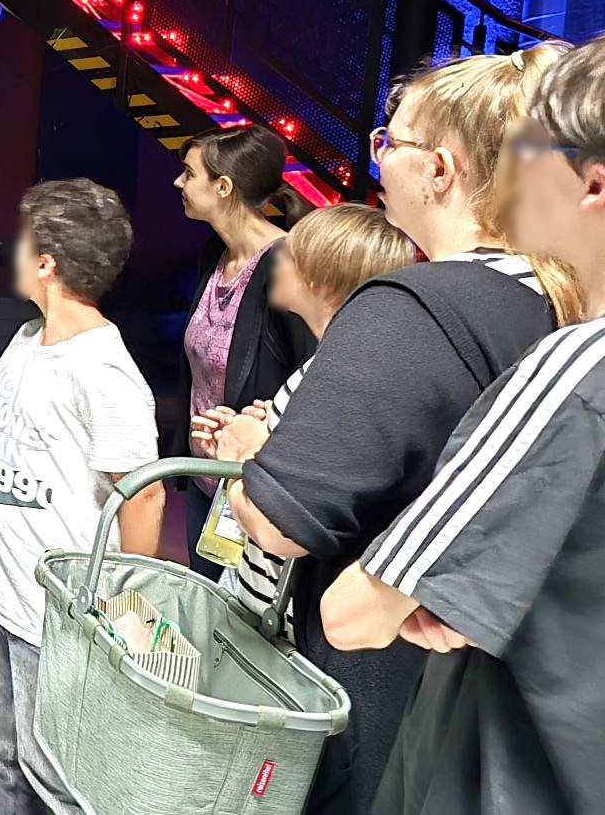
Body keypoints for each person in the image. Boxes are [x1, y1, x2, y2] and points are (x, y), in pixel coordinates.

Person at [216, 46, 572, 815]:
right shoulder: (559, 306)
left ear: (440, 170)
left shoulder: (415, 311)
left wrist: (250, 455)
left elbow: (280, 524)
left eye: (390, 139)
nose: (378, 157)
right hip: (490, 717)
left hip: (373, 707)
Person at [319, 38, 605, 815]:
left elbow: (352, 613)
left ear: (592, 184)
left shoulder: (576, 363)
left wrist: (441, 597)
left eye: (532, 152)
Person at [0, 178, 164, 813]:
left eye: (22, 240)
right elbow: (0, 459)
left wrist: (120, 605)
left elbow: (145, 499)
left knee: (54, 769)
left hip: (56, 613)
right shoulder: (24, 343)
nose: (11, 250)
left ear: (47, 264)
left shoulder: (106, 373)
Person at [191, 204, 416, 637]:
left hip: (274, 621)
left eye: (290, 254)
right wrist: (259, 436)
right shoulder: (332, 369)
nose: (275, 261)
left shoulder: (330, 380)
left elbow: (282, 519)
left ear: (321, 279)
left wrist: (242, 454)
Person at [172, 124, 315, 579]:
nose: (178, 182)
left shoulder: (285, 265)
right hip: (205, 477)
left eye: (189, 173)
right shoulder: (213, 254)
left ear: (223, 186)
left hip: (250, 488)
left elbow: (311, 374)